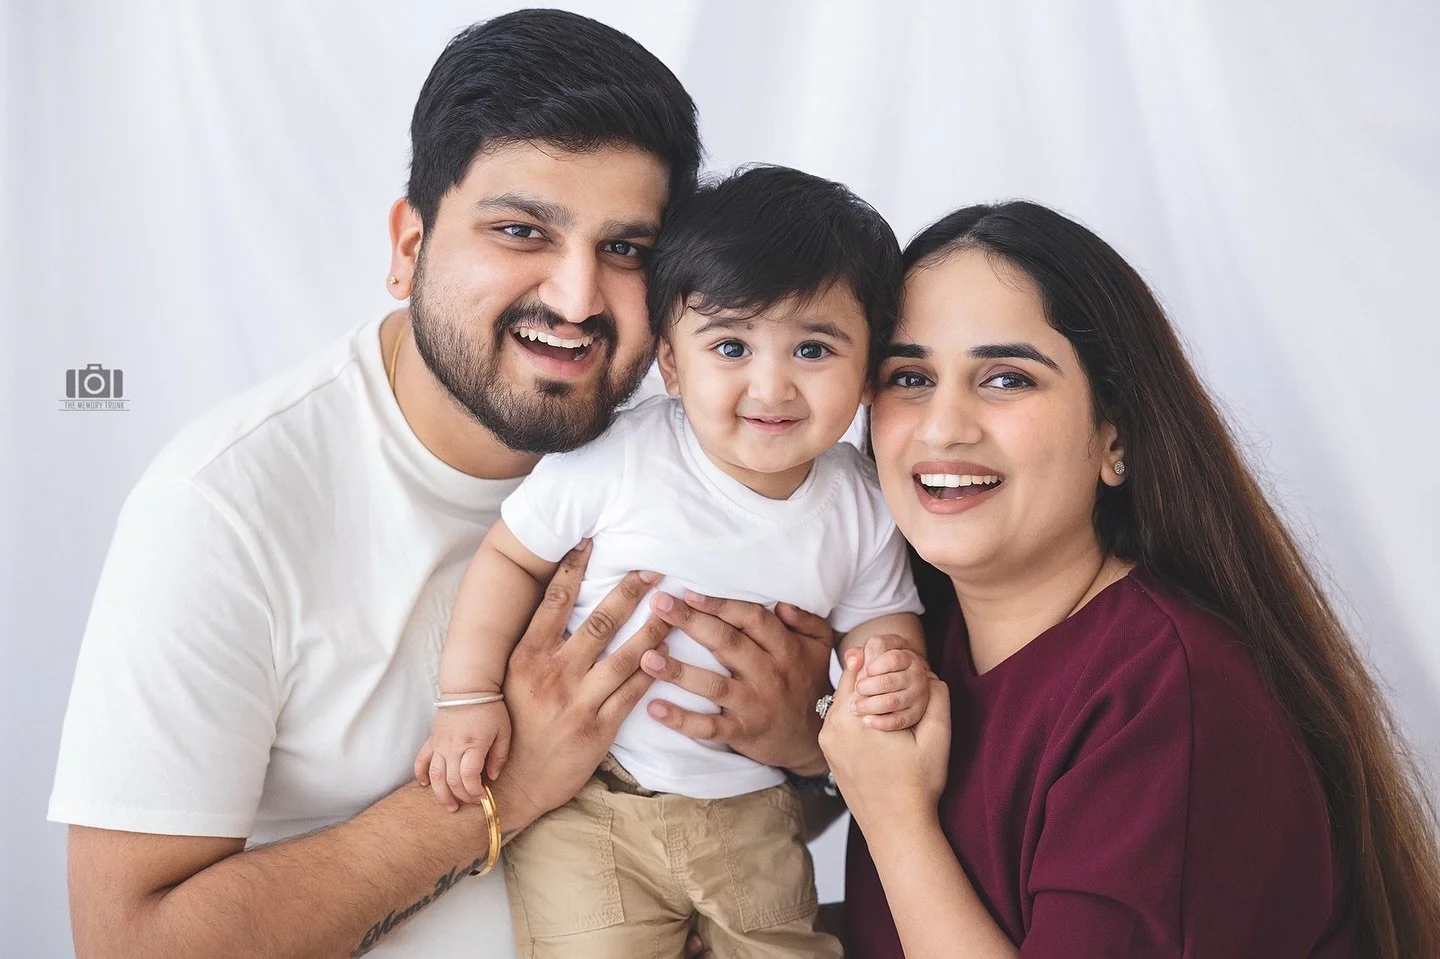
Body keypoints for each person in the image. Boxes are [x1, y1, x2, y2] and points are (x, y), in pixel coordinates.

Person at [48, 12, 832, 958]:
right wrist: (505, 787)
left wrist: (806, 744)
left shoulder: (715, 453)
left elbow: (746, 810)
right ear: (409, 245)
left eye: (626, 249)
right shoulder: (222, 505)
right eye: (520, 230)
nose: (578, 298)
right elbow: (126, 942)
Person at [819, 200, 1440, 958]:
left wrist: (893, 818)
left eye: (1007, 379)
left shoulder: (1170, 693)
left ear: (1115, 435)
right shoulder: (921, 643)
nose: (944, 425)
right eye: (909, 375)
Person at [417, 165, 930, 957]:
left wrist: (886, 666)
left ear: (867, 375)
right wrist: (467, 695)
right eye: (731, 344)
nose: (772, 384)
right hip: (590, 808)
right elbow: (511, 559)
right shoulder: (620, 455)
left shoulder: (860, 504)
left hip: (754, 808)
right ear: (671, 364)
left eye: (813, 349)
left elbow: (882, 619)